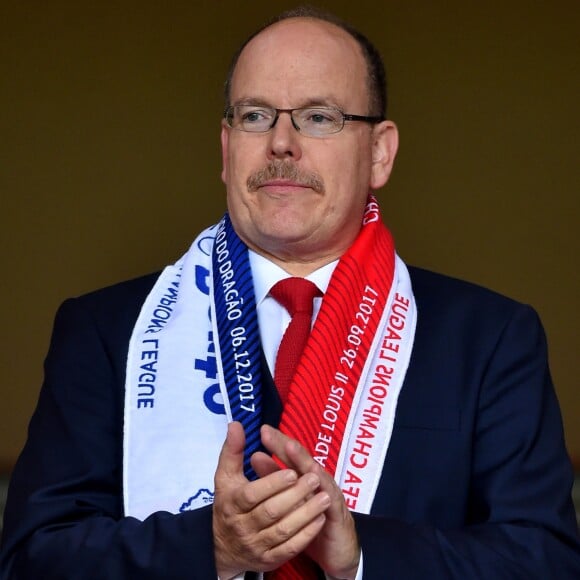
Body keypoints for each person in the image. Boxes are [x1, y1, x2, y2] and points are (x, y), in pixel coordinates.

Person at [1, 6, 579, 579]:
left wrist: (360, 554)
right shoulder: (107, 331)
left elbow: (543, 562)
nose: (281, 142)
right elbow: (33, 557)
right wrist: (209, 548)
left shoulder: (490, 339)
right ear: (227, 149)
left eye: (319, 117)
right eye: (255, 116)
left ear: (380, 152)